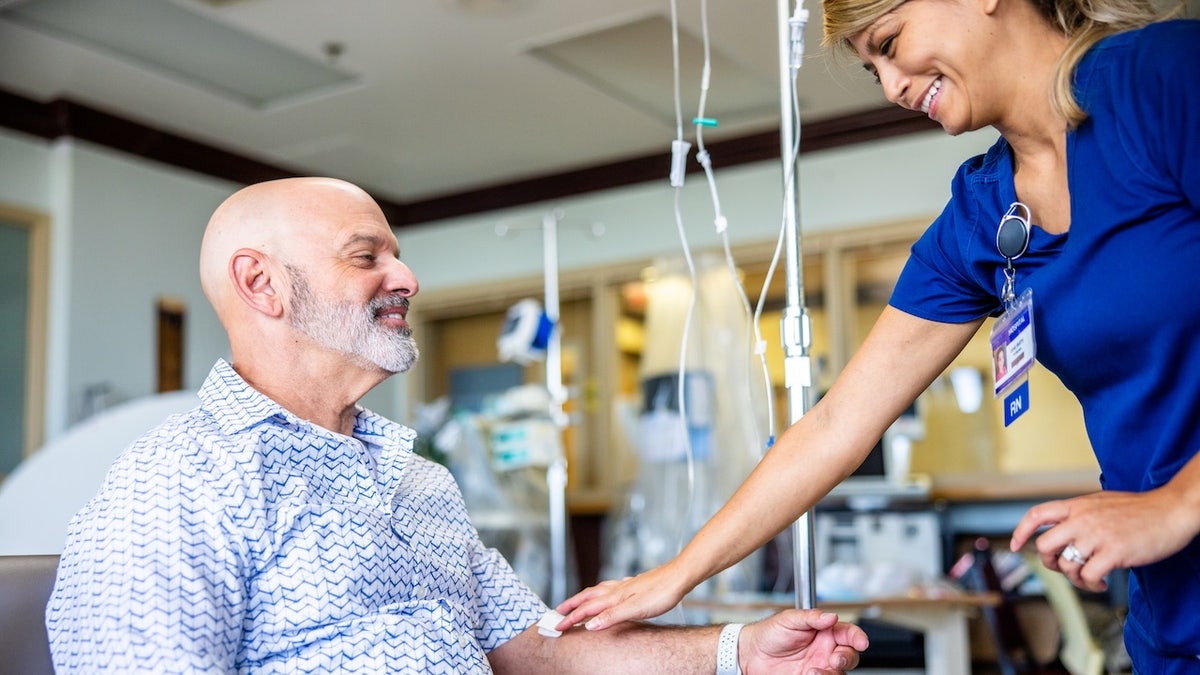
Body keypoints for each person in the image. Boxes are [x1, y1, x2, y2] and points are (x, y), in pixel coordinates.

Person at [556, 2, 1200, 671]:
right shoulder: (982, 218)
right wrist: (675, 576)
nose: (892, 86)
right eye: (873, 70)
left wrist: (1177, 502)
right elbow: (836, 422)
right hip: (1173, 619)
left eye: (890, 44)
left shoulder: (1163, 80)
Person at [45, 177, 868, 674]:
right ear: (262, 283)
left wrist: (738, 650)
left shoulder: (418, 481)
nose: (405, 275)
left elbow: (535, 651)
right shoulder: (178, 482)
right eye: (366, 256)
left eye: (396, 253)